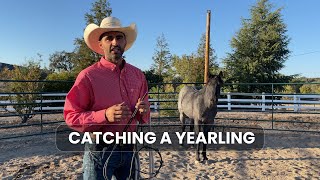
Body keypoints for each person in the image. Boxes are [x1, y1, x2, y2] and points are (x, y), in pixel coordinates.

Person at [63, 16, 150, 180]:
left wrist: (143, 111)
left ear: (125, 43)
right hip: (99, 150)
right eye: (109, 38)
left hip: (130, 149)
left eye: (119, 37)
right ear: (100, 44)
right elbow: (71, 116)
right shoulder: (88, 76)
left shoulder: (138, 76)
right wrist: (104, 115)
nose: (114, 42)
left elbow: (144, 116)